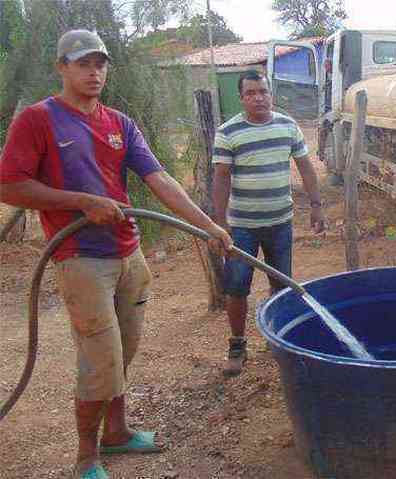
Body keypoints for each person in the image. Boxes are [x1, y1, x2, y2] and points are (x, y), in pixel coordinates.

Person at [0, 30, 232, 479]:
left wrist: (208, 226)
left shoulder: (119, 122)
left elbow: (160, 178)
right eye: (83, 63)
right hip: (80, 256)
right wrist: (81, 202)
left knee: (123, 351)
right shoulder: (38, 119)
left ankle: (118, 432)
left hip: (129, 254)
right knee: (100, 359)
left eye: (100, 64)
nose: (94, 72)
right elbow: (9, 185)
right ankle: (86, 458)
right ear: (62, 67)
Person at [212, 70, 326, 377]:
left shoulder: (288, 126)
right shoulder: (228, 132)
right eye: (251, 93)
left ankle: (278, 340)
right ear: (242, 98)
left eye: (263, 91)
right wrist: (219, 223)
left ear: (270, 94)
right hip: (241, 227)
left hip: (280, 223)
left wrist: (316, 206)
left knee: (281, 284)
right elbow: (221, 179)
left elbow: (306, 168)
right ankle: (237, 346)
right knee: (237, 287)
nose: (258, 97)